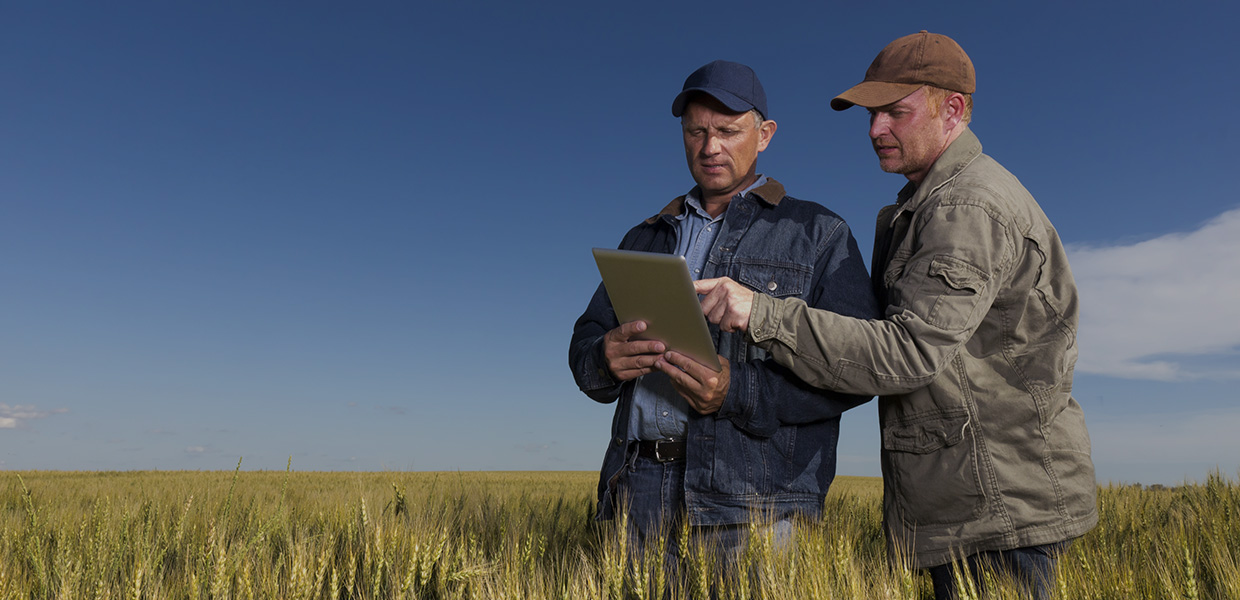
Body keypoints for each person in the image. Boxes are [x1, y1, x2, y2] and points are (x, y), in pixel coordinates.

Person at [693, 33, 1097, 599]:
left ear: (951, 109)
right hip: (975, 503)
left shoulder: (966, 205)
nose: (875, 129)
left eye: (895, 112)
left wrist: (762, 312)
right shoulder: (929, 203)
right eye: (871, 114)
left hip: (998, 512)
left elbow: (909, 354)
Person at [568, 60, 879, 565]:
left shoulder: (819, 233)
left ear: (765, 135)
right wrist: (603, 358)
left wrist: (738, 390)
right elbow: (586, 339)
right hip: (636, 490)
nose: (710, 147)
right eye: (696, 132)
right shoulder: (644, 237)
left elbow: (859, 371)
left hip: (752, 504)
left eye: (728, 132)